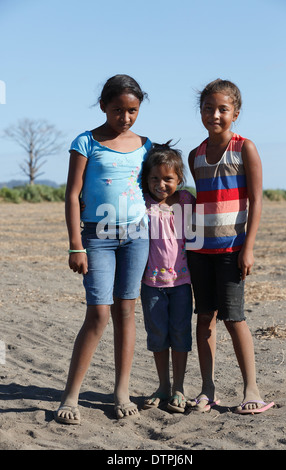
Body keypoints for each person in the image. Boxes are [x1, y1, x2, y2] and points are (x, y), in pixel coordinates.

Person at [55, 74, 152, 424]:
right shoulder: (85, 142)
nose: (125, 118)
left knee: (127, 312)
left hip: (138, 236)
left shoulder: (146, 144)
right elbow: (71, 195)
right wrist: (74, 246)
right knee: (98, 314)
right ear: (103, 106)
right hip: (97, 237)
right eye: (117, 110)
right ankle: (70, 395)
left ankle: (121, 391)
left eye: (132, 111)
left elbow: (155, 190)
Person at [186, 79, 274, 414]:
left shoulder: (244, 148)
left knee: (234, 318)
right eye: (208, 108)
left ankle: (251, 389)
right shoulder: (195, 155)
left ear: (235, 113)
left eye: (223, 109)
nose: (215, 115)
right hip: (199, 251)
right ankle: (207, 389)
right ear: (201, 112)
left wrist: (247, 248)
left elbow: (256, 200)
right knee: (204, 317)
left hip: (231, 249)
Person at [140, 142, 195, 413]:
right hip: (151, 285)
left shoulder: (185, 201)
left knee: (180, 334)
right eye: (154, 178)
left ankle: (179, 389)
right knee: (158, 334)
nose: (160, 184)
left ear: (179, 180)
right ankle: (163, 385)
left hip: (182, 284)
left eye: (168, 178)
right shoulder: (141, 203)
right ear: (146, 179)